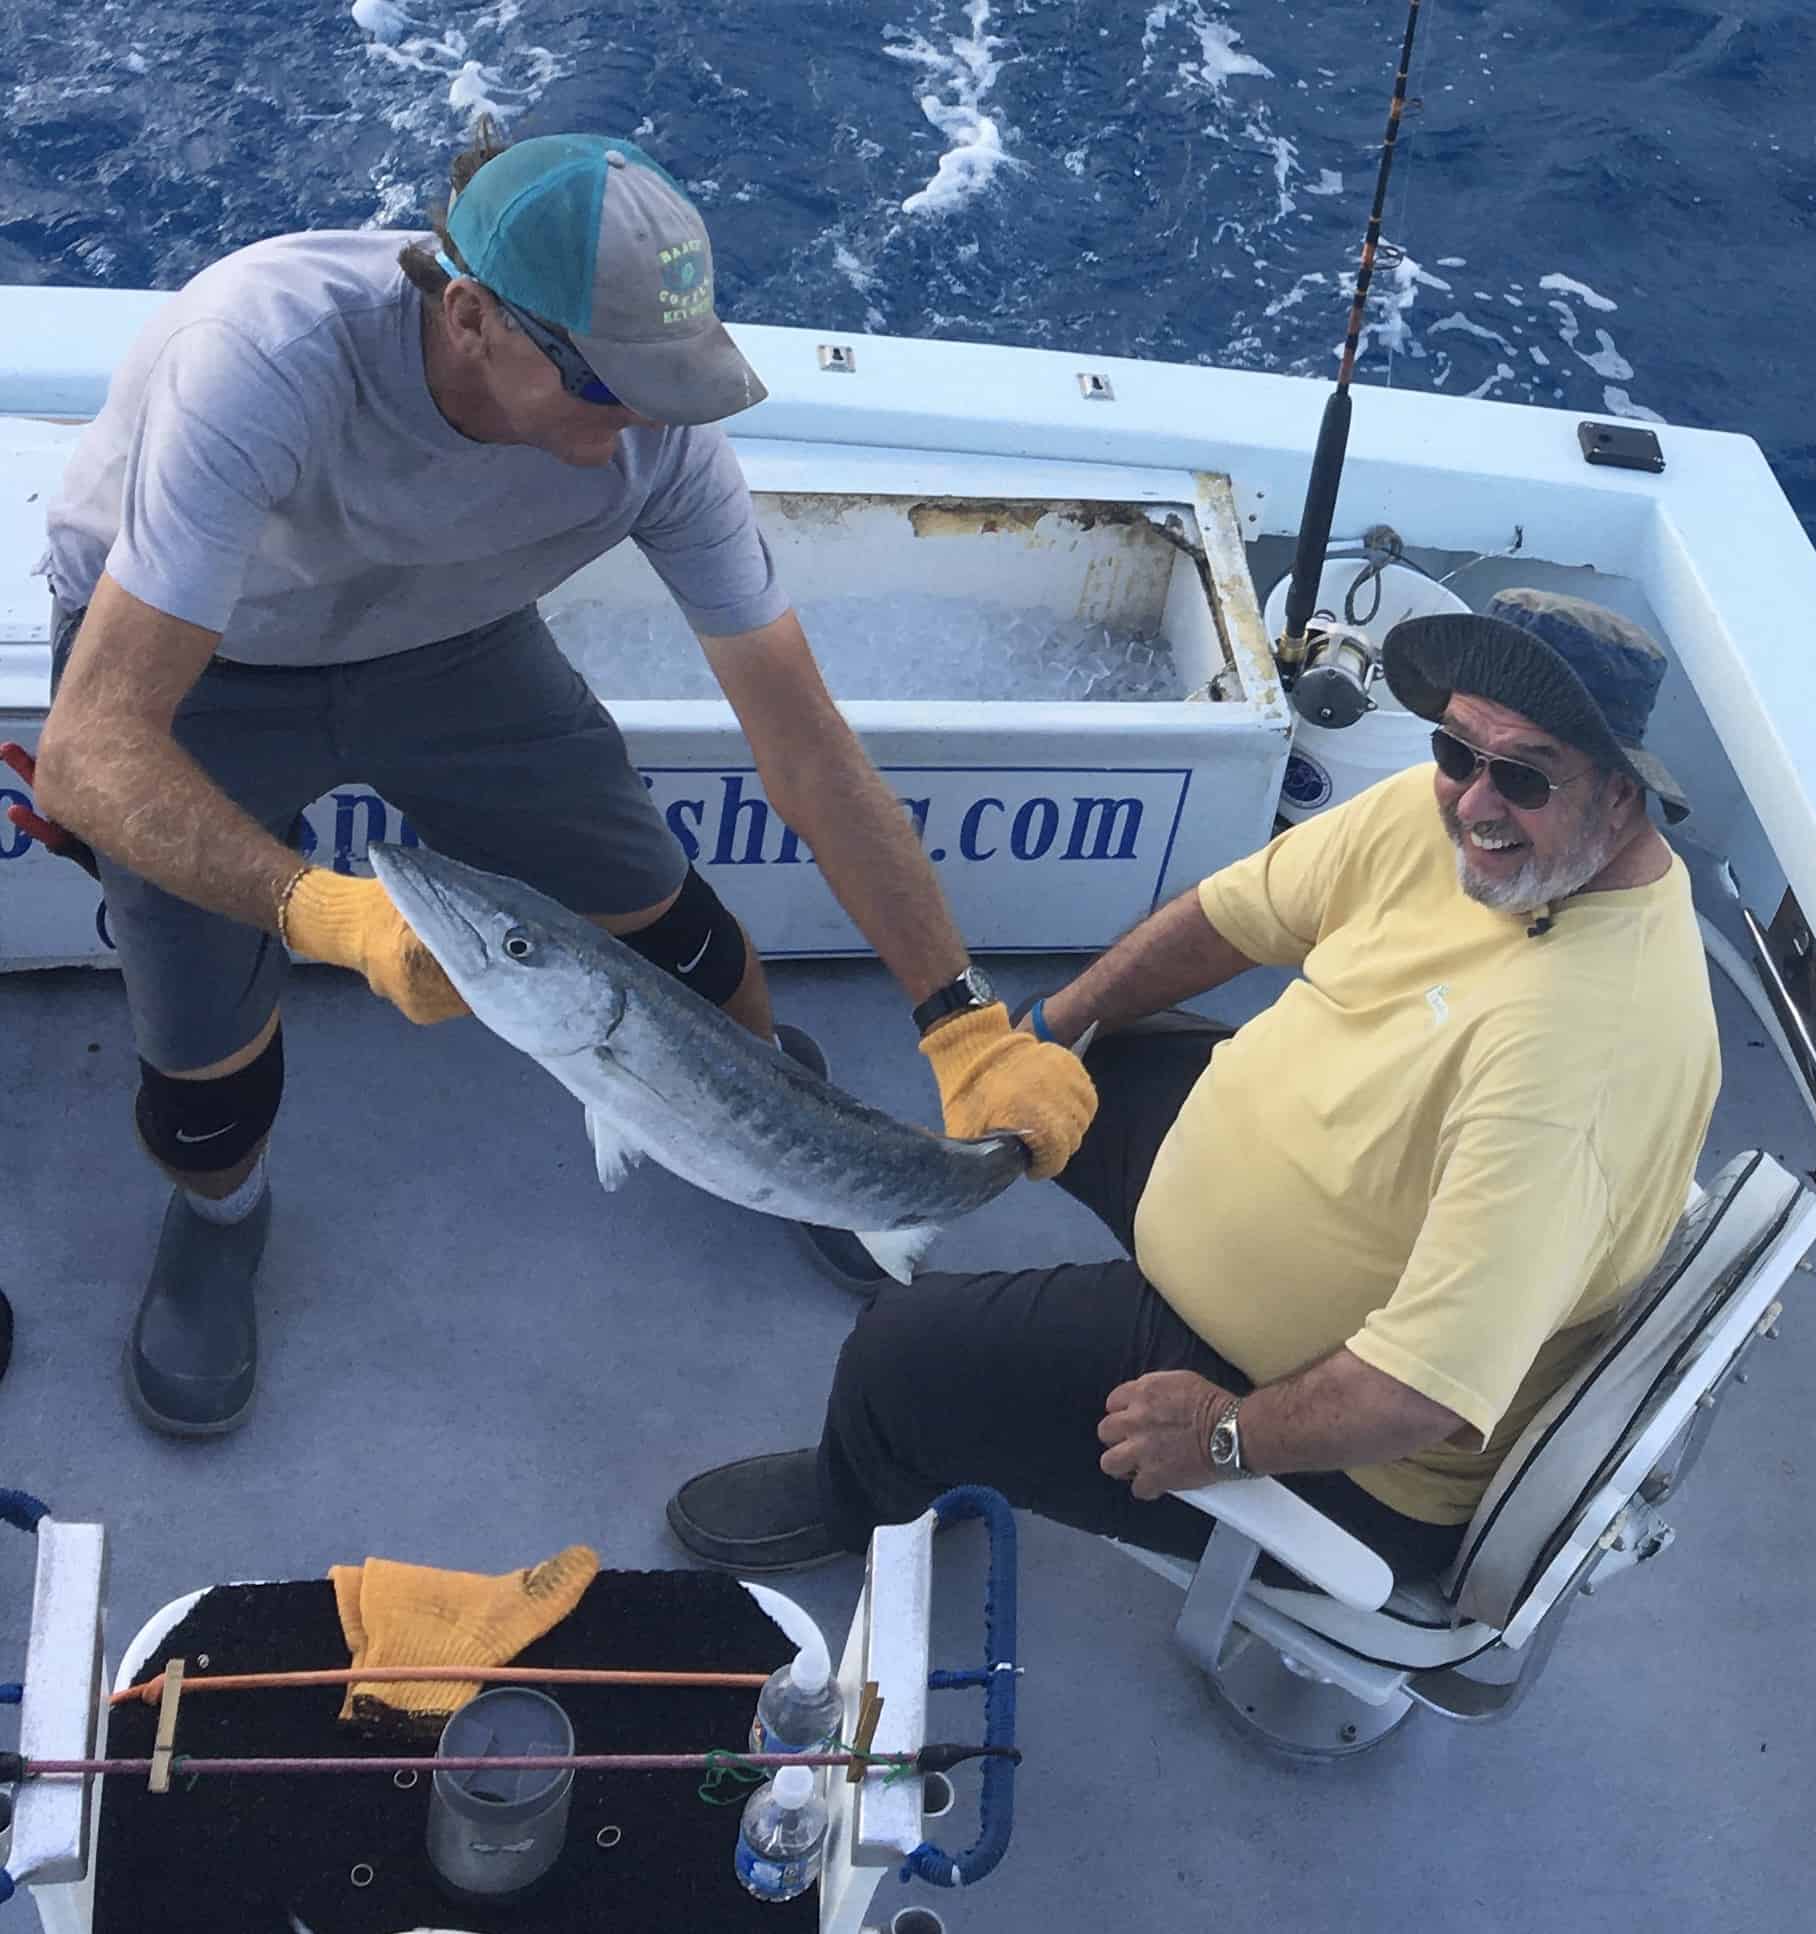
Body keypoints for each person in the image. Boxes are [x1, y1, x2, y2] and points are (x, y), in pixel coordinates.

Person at [18, 124, 1094, 1438]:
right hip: (205, 669)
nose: (643, 416)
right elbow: (89, 749)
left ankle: (774, 1123)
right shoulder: (266, 358)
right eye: (609, 381)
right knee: (204, 1083)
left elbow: (805, 744)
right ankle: (219, 1215)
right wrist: (326, 913)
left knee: (687, 949)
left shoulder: (658, 441)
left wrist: (959, 1018)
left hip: (453, 650)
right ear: (470, 317)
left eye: (674, 379)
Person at [666, 589, 1723, 1582]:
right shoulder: (1448, 812)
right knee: (1091, 1052)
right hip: (1307, 1184)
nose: (1475, 802)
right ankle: (922, 1210)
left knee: (899, 1359)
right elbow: (1234, 913)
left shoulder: (1581, 1055)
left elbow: (1419, 1395)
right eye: (1455, 749)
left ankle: (865, 1491)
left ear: (1622, 794)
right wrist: (1052, 1024)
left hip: (1334, 1441)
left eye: (1525, 777)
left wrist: (1226, 1433)